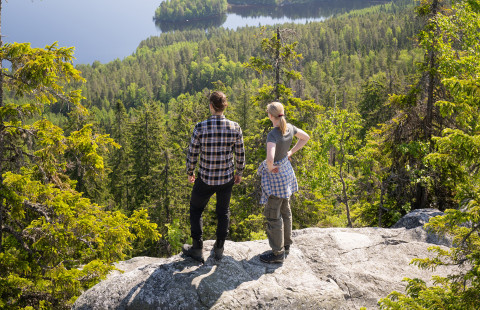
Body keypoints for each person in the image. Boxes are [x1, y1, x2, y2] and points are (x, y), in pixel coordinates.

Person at [182, 91, 245, 263]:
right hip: (226, 179)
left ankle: (197, 248)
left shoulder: (200, 127)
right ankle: (219, 248)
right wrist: (239, 173)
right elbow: (240, 154)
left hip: (205, 178)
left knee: (196, 210)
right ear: (225, 106)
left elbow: (192, 153)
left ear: (211, 106)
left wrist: (190, 172)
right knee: (223, 212)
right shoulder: (235, 127)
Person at [258, 101, 310, 264]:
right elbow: (305, 138)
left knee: (274, 214)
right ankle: (286, 245)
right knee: (285, 209)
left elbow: (270, 157)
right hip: (287, 173)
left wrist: (270, 166)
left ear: (270, 116)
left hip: (277, 176)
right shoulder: (290, 128)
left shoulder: (273, 134)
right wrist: (291, 151)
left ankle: (277, 253)